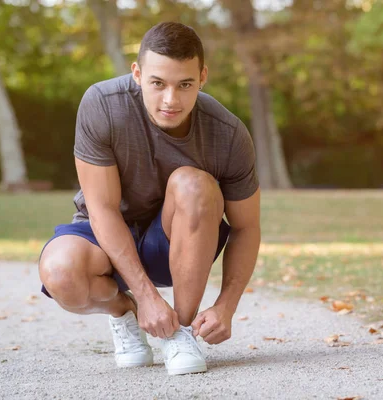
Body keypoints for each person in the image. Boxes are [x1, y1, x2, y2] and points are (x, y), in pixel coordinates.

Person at [37, 22, 261, 376]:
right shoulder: (102, 104)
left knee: (194, 184)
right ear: (138, 74)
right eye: (158, 83)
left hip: (174, 241)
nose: (171, 100)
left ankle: (180, 332)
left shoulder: (228, 133)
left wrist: (226, 306)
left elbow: (246, 227)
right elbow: (103, 209)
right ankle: (123, 312)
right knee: (61, 274)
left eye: (185, 84)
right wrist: (143, 298)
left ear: (203, 77)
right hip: (107, 236)